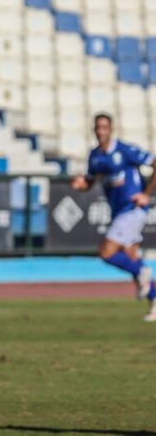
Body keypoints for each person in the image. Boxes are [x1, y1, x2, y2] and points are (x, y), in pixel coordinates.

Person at [71, 113, 156, 321]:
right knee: (130, 256)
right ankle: (154, 299)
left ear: (111, 129)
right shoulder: (95, 157)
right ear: (94, 130)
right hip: (118, 212)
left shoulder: (125, 150)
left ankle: (142, 270)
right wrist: (83, 186)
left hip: (132, 209)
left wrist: (147, 193)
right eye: (97, 128)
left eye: (104, 127)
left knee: (106, 252)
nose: (100, 132)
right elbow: (90, 181)